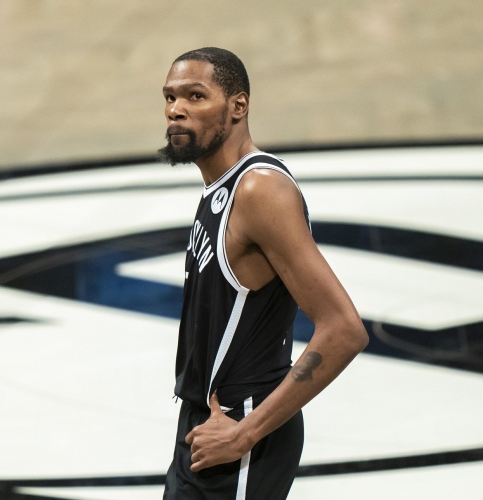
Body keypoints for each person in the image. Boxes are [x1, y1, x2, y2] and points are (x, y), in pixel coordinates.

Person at [159, 47, 369, 499]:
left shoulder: (260, 191)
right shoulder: (221, 187)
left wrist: (245, 433)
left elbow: (344, 329)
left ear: (238, 106)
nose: (176, 110)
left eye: (195, 96)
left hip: (241, 433)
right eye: (170, 97)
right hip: (208, 427)